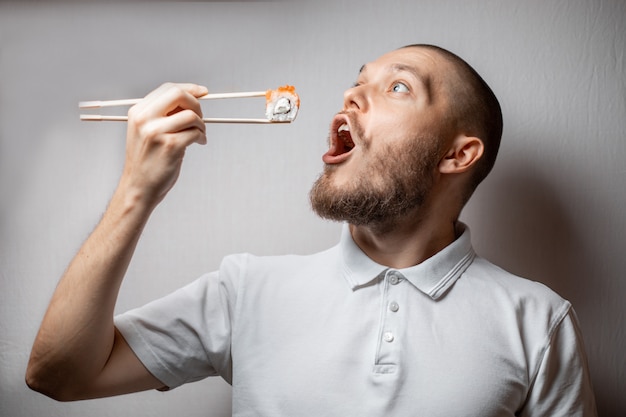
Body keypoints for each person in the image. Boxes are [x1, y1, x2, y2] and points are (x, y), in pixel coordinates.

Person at [26, 44, 598, 416]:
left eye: (398, 87)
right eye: (357, 82)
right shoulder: (244, 291)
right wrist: (136, 190)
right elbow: (59, 374)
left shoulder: (538, 322)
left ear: (458, 154)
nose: (352, 94)